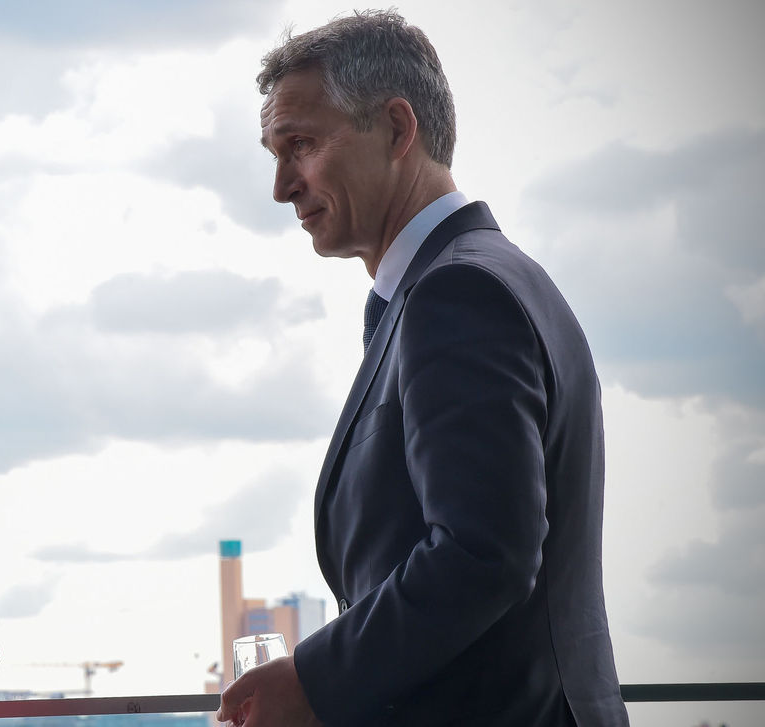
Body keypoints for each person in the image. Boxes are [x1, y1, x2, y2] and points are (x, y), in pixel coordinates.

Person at [218, 11, 628, 726]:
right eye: (275, 154)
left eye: (301, 145)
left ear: (397, 128)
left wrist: (314, 683)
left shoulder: (458, 292)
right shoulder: (493, 279)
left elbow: (484, 552)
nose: (282, 186)